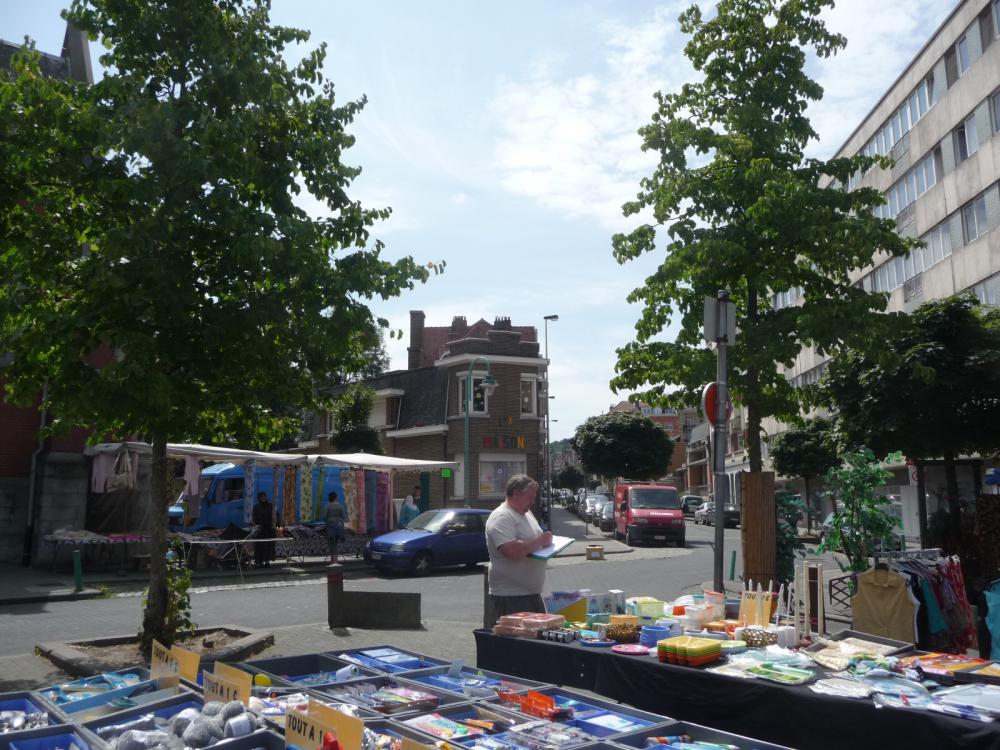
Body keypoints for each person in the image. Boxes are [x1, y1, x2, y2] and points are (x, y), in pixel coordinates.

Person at [485, 474, 553, 619]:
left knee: (536, 640)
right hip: (512, 597)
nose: (533, 502)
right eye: (530, 497)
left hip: (530, 594)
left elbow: (533, 542)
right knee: (520, 640)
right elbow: (511, 550)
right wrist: (541, 541)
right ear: (516, 493)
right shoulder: (502, 517)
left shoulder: (525, 513)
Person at [251, 491, 275, 567]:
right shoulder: (256, 507)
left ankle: (267, 561)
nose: (263, 498)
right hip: (259, 530)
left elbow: (275, 516)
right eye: (261, 497)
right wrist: (254, 524)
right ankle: (259, 562)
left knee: (268, 546)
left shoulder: (271, 506)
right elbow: (253, 518)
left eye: (264, 496)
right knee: (259, 546)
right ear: (259, 498)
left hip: (269, 530)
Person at [325, 491, 347, 563]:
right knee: (336, 543)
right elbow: (344, 516)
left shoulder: (327, 506)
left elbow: (324, 516)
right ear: (335, 497)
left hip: (330, 527)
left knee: (331, 543)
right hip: (338, 526)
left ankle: (333, 560)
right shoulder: (340, 506)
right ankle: (335, 560)